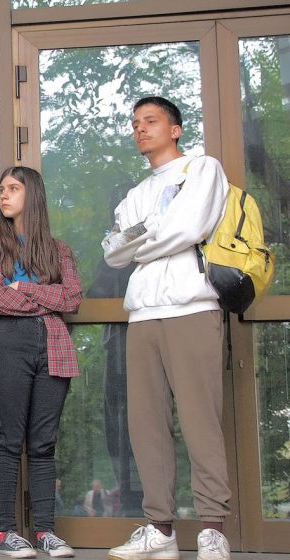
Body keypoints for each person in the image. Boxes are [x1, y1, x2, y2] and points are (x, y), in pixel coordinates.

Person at [104, 96, 232, 560]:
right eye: (135, 123)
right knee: (146, 425)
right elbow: (113, 252)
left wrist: (143, 235)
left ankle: (213, 530)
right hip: (143, 313)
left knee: (201, 422)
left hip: (192, 308)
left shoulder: (202, 170)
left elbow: (188, 228)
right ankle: (160, 529)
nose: (141, 129)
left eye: (151, 121)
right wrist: (151, 232)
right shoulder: (135, 192)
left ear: (175, 129)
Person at [0, 166, 81, 559]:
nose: (4, 195)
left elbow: (72, 298)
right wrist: (42, 300)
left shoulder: (59, 250)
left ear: (31, 195)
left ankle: (45, 532)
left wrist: (26, 288)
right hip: (7, 344)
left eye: (13, 188)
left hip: (54, 347)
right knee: (8, 440)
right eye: (1, 189)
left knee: (43, 444)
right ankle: (6, 532)